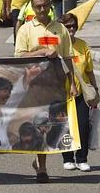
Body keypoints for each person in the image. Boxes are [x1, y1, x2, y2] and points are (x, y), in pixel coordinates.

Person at [14, 0, 77, 183]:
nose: (42, 9)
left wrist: (73, 84)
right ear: (32, 8)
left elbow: (67, 58)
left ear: (50, 5)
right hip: (34, 87)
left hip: (56, 86)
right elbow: (19, 57)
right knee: (38, 126)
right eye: (38, 6)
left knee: (49, 127)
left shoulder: (60, 29)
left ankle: (41, 164)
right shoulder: (26, 29)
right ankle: (41, 167)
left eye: (45, 5)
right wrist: (41, 51)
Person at [58, 13, 98, 172]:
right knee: (64, 127)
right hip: (62, 94)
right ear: (62, 28)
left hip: (81, 93)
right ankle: (67, 158)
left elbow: (89, 71)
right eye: (68, 26)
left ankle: (81, 159)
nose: (72, 28)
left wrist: (95, 89)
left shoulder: (83, 45)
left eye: (74, 25)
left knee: (83, 127)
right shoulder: (57, 46)